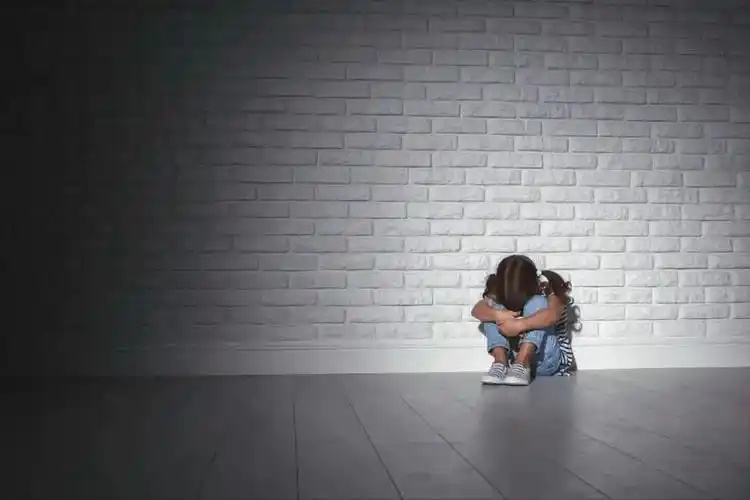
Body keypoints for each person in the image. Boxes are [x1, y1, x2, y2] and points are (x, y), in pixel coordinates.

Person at [471, 255, 575, 386]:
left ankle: (522, 362)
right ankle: (500, 362)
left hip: (547, 360)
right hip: (512, 364)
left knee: (538, 302)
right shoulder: (499, 293)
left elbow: (552, 315)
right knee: (491, 310)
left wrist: (518, 325)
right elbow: (477, 310)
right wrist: (501, 315)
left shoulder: (548, 291)